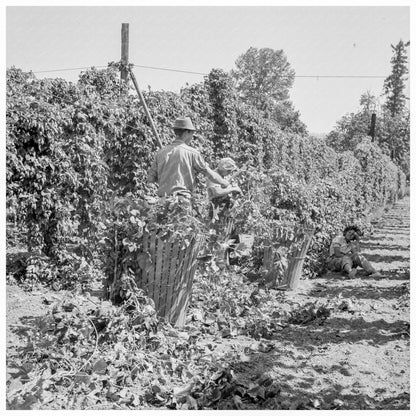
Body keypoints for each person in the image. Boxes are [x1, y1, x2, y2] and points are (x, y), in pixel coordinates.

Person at [147, 116, 230, 212]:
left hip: (162, 201)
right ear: (186, 133)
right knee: (181, 226)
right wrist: (224, 182)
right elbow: (208, 173)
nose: (192, 137)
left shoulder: (161, 152)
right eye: (192, 134)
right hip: (181, 201)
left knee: (164, 226)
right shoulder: (192, 153)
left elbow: (150, 179)